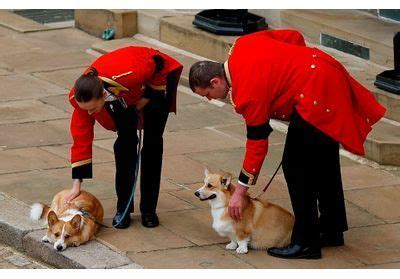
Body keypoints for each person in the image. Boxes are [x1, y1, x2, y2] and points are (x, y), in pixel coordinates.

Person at [188, 29, 386, 259]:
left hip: (315, 96)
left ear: (215, 81)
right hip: (324, 71)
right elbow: (293, 36)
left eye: (208, 94)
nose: (211, 99)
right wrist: (296, 68)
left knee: (296, 168)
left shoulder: (247, 93)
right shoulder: (242, 44)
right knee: (324, 160)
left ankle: (306, 242)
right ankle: (332, 229)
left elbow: (257, 145)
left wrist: (240, 192)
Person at [66, 46, 182, 229]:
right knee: (124, 146)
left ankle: (149, 210)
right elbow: (81, 140)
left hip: (154, 86)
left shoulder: (129, 73)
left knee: (152, 145)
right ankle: (123, 209)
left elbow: (158, 64)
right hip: (123, 99)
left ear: (103, 95)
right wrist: (76, 184)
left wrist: (147, 97)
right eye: (85, 109)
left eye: (92, 108)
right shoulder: (80, 99)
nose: (89, 113)